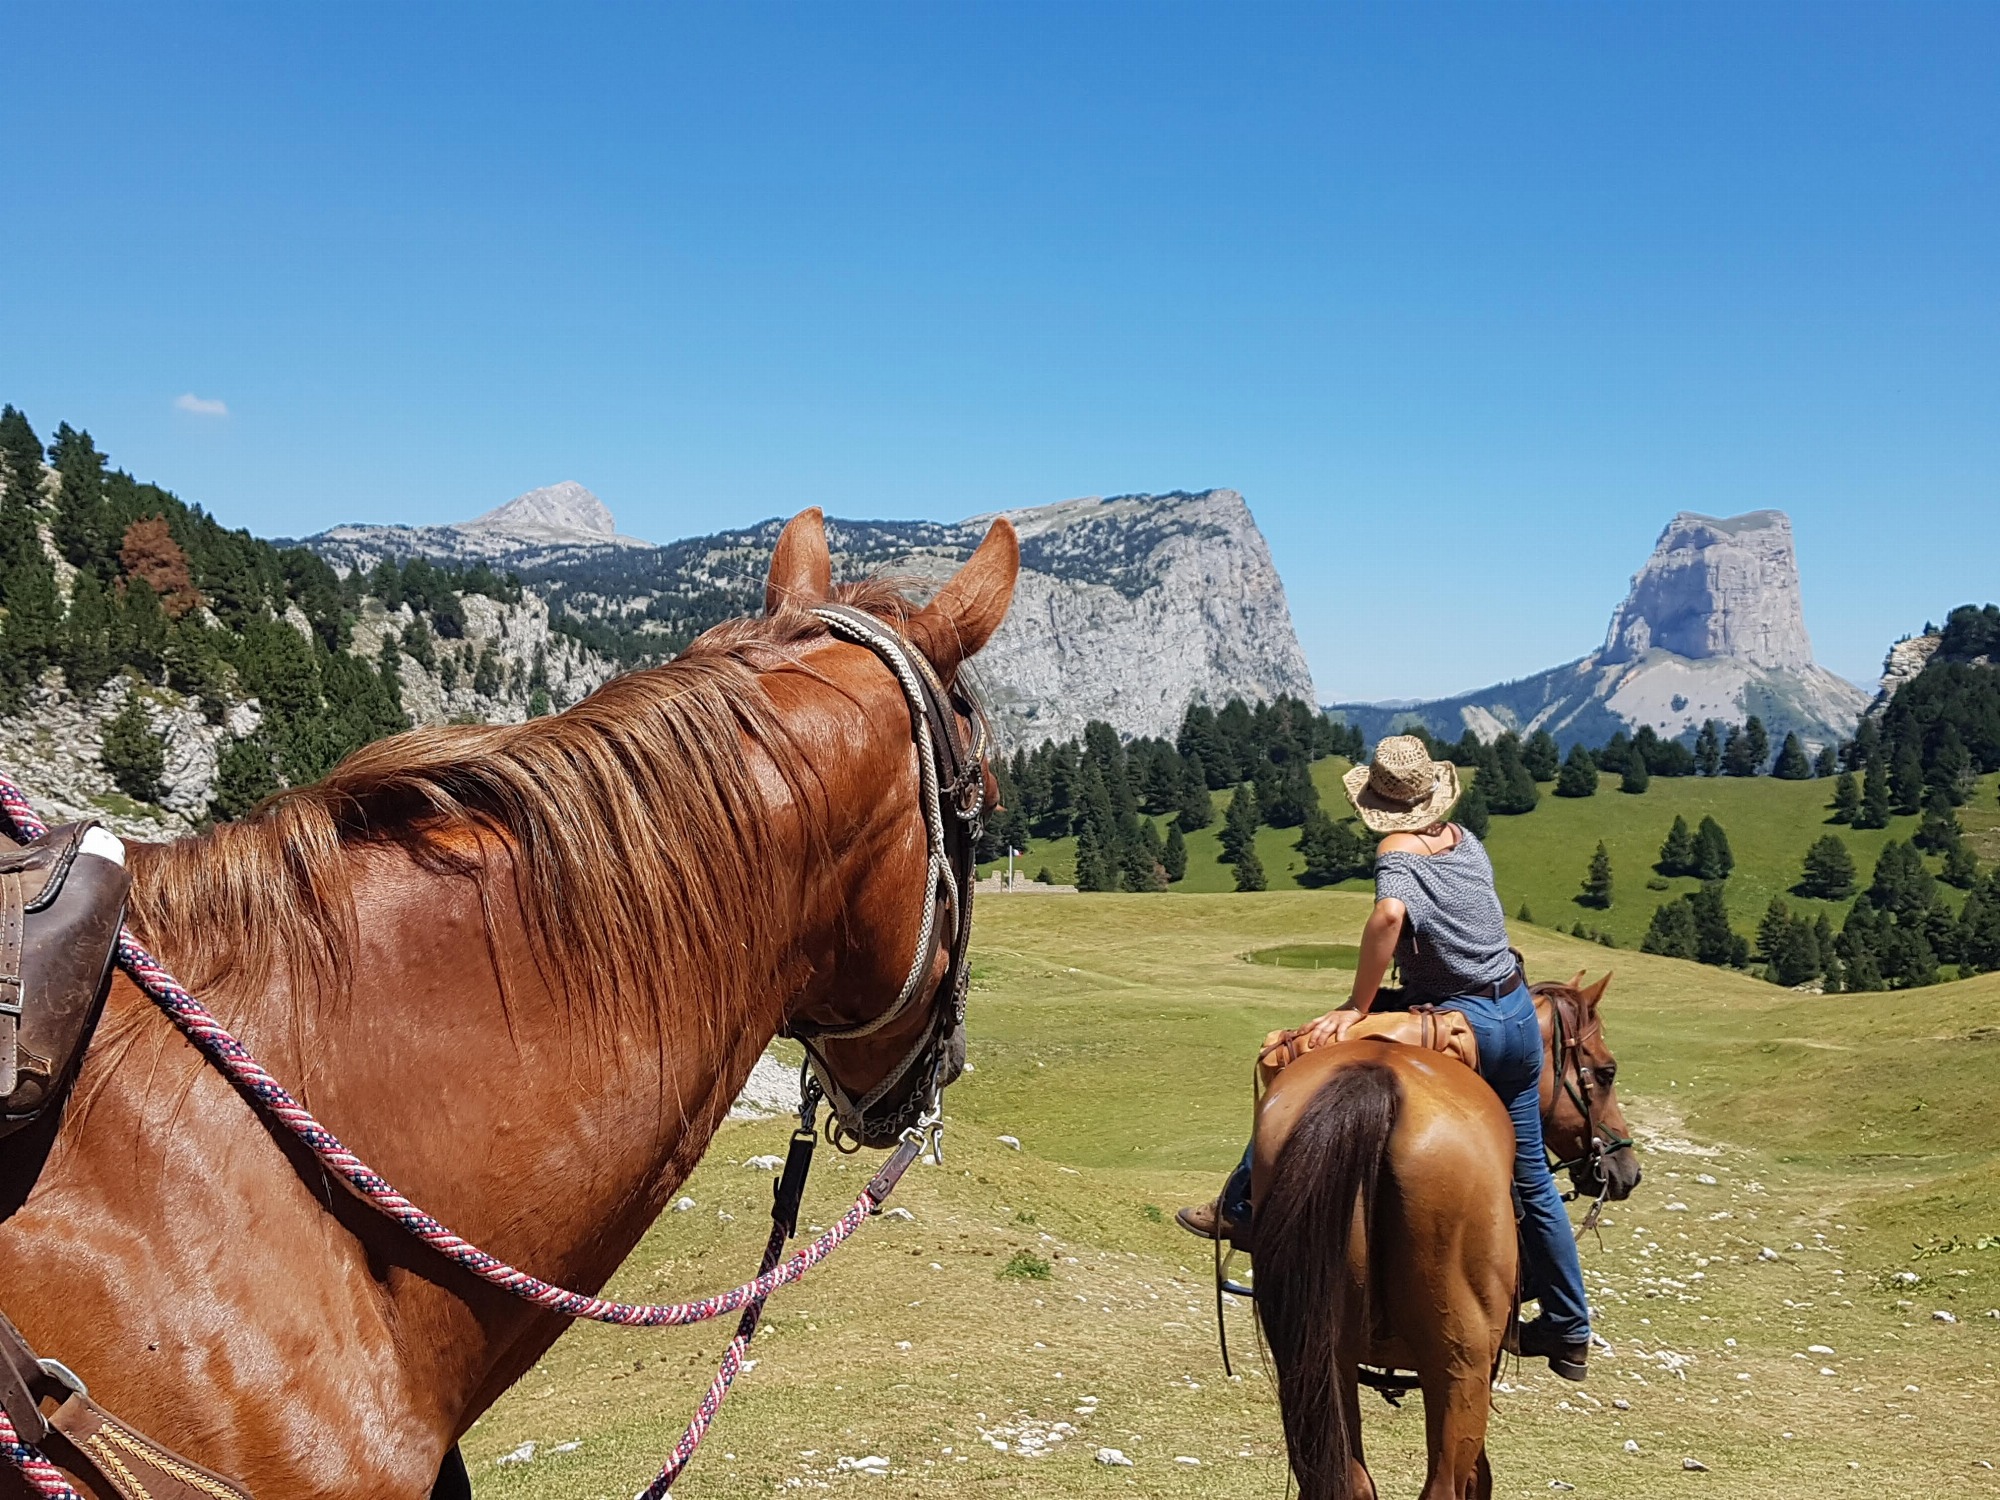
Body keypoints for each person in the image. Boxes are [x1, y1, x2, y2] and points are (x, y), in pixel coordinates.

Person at [1175, 734, 1594, 1380]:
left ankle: (1241, 1203)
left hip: (1461, 1019)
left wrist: (1356, 1002)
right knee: (1533, 1176)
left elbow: (1389, 920)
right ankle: (1570, 1325)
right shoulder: (1465, 839)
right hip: (1513, 1011)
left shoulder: (1397, 850)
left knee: (1294, 1053)